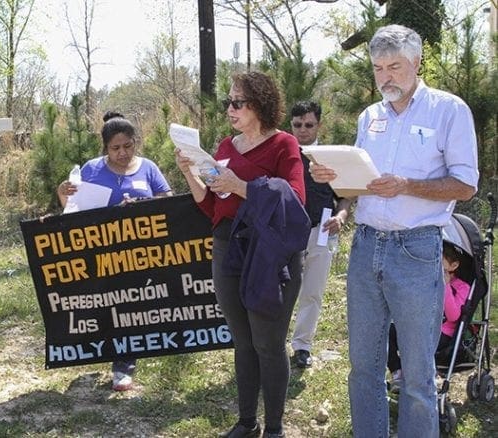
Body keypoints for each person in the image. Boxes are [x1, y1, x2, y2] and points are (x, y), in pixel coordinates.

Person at [310, 25, 478, 437]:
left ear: (417, 64)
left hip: (417, 249)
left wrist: (407, 185)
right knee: (363, 365)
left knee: (417, 372)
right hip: (367, 247)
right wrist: (332, 178)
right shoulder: (370, 116)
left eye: (395, 67)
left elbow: (466, 184)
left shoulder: (449, 111)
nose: (386, 77)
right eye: (378, 68)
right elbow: (358, 186)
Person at [175, 71, 309, 438]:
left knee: (268, 343)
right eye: (228, 102)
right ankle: (247, 422)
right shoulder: (223, 147)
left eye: (237, 102)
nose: (230, 109)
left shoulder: (284, 145)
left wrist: (241, 186)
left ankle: (275, 429)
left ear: (260, 105)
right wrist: (191, 174)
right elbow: (211, 207)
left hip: (268, 255)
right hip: (227, 249)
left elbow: (294, 201)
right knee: (243, 341)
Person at [57, 111, 172, 391]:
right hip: (104, 254)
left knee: (132, 306)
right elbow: (73, 209)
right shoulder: (92, 169)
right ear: (105, 148)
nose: (122, 153)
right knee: (110, 305)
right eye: (115, 148)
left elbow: (168, 201)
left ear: (136, 142)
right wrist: (63, 193)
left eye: (127, 146)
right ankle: (111, 353)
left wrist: (143, 207)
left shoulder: (148, 168)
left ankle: (125, 364)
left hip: (142, 253)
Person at [289, 101, 352, 369]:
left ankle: (302, 346)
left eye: (309, 125)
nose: (303, 130)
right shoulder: (283, 153)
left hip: (321, 231)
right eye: (297, 125)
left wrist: (341, 216)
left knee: (312, 292)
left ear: (319, 125)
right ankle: (271, 346)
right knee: (280, 291)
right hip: (285, 233)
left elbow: (347, 196)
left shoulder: (330, 156)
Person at [387, 241, 473, 389]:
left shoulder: (462, 287)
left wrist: (445, 286)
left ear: (453, 265)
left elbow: (453, 316)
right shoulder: (428, 279)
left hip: (443, 332)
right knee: (389, 330)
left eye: (439, 260)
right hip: (422, 324)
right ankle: (398, 371)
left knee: (419, 339)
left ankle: (422, 377)